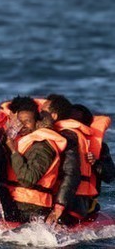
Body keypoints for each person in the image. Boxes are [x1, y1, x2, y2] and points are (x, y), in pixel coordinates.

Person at [5, 96, 67, 222]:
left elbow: (28, 179)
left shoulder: (43, 146)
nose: (22, 126)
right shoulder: (25, 141)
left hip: (31, 208)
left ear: (37, 122)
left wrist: (13, 151)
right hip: (18, 202)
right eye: (20, 122)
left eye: (27, 122)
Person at [42, 94, 85, 224]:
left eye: (43, 111)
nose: (40, 114)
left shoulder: (68, 137)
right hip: (56, 198)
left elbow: (71, 172)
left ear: (54, 116)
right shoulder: (55, 134)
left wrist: (59, 206)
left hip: (72, 204)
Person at [70, 104, 114, 218]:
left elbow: (110, 176)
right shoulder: (55, 142)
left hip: (84, 204)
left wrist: (96, 163)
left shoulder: (100, 148)